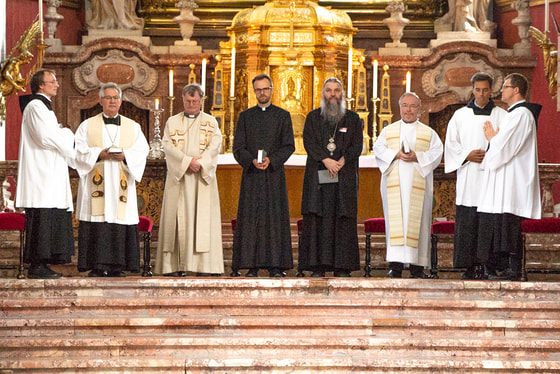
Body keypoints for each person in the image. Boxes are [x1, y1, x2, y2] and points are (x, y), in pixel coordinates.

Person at [74, 82, 149, 277]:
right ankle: (97, 265)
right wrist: (98, 154)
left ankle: (118, 266)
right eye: (108, 98)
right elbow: (78, 152)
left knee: (119, 217)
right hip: (97, 183)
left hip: (120, 182)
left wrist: (126, 156)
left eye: (115, 98)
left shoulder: (133, 127)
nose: (112, 101)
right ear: (100, 101)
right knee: (98, 218)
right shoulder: (87, 126)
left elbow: (142, 151)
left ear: (121, 101)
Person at [476, 73, 541, 280]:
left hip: (514, 181)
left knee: (510, 223)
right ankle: (503, 267)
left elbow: (506, 147)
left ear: (516, 90)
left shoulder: (521, 115)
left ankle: (513, 269)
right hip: (508, 179)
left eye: (505, 86)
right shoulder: (513, 114)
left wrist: (491, 139)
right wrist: (495, 140)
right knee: (504, 222)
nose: (501, 90)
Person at [155, 84, 224, 277]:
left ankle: (205, 266)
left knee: (203, 220)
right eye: (188, 101)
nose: (191, 104)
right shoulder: (172, 122)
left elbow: (215, 146)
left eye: (195, 101)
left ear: (202, 100)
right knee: (177, 221)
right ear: (183, 100)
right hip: (180, 179)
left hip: (201, 180)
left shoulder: (211, 122)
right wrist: (186, 162)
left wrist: (199, 164)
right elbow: (167, 145)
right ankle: (175, 266)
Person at [373, 92, 443, 278]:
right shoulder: (388, 131)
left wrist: (417, 157)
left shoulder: (429, 133)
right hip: (394, 184)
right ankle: (394, 266)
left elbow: (437, 152)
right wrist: (395, 155)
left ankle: (417, 267)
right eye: (405, 105)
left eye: (413, 106)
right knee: (395, 223)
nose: (408, 109)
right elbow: (378, 149)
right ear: (400, 107)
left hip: (417, 183)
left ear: (419, 109)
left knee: (418, 223)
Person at [444, 72, 507, 280]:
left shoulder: (502, 116)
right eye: (477, 90)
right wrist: (467, 155)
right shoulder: (460, 115)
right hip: (469, 176)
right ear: (472, 90)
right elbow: (451, 144)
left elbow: (508, 144)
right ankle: (469, 266)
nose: (481, 94)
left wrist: (492, 155)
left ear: (491, 90)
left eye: (485, 90)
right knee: (468, 221)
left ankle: (489, 266)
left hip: (491, 177)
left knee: (490, 221)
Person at [232, 73, 295, 278]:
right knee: (251, 221)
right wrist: (250, 160)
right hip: (251, 177)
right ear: (254, 91)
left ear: (272, 89)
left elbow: (289, 145)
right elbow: (238, 147)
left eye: (265, 89)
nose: (262, 93)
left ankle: (276, 266)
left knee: (274, 220)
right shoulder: (245, 116)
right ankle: (251, 265)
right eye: (258, 89)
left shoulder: (282, 116)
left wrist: (273, 160)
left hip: (274, 176)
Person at [299, 77, 363, 277]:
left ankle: (342, 266)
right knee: (318, 219)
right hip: (319, 176)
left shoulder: (352, 119)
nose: (333, 94)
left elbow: (357, 145)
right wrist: (326, 160)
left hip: (343, 179)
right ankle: (317, 266)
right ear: (323, 94)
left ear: (342, 94)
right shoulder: (312, 117)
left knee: (341, 219)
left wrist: (342, 161)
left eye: (336, 90)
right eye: (329, 90)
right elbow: (309, 143)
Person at [15, 69, 76, 279]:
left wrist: (61, 135)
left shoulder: (43, 107)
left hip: (48, 174)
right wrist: (67, 135)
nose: (57, 84)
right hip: (40, 175)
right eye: (52, 81)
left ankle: (43, 264)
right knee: (42, 219)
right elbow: (45, 137)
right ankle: (36, 265)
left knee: (49, 218)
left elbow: (52, 135)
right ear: (41, 85)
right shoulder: (35, 106)